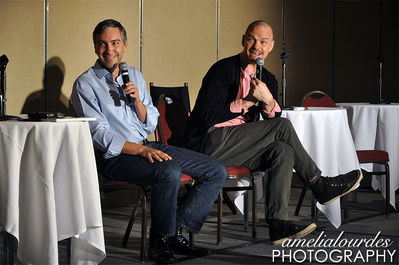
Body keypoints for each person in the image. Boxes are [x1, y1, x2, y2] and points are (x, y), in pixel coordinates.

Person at [184, 20, 362, 245]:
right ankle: (318, 183)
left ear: (271, 47)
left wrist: (268, 100)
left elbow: (272, 121)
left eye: (263, 42)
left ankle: (277, 225)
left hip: (241, 144)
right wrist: (247, 101)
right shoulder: (221, 70)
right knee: (283, 127)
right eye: (251, 39)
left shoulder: (267, 78)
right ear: (243, 40)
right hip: (210, 142)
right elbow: (206, 115)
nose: (256, 45)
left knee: (282, 151)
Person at [71, 19, 226, 264]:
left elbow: (151, 122)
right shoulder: (85, 83)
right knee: (169, 171)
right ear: (95, 47)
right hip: (114, 157)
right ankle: (159, 242)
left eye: (115, 43)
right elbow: (99, 134)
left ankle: (174, 232)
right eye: (102, 44)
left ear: (124, 46)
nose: (109, 50)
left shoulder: (133, 74)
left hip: (145, 145)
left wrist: (138, 103)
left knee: (216, 170)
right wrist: (141, 150)